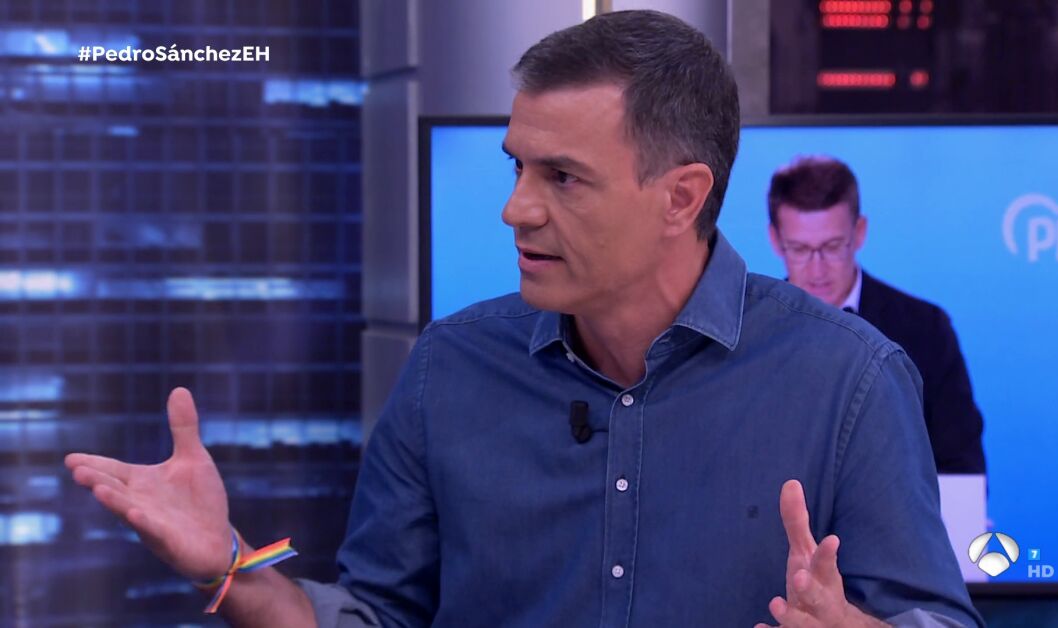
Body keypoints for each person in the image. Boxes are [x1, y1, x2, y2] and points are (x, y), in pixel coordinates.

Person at [65, 11, 983, 628]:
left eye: (563, 178)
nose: (516, 210)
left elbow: (934, 615)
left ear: (681, 197)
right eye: (517, 167)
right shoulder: (451, 368)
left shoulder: (849, 380)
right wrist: (229, 570)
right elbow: (377, 616)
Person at [766, 156, 986, 474]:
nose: (817, 269)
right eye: (800, 249)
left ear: (859, 232)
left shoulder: (926, 330)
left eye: (832, 246)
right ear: (775, 241)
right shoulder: (750, 333)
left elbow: (960, 464)